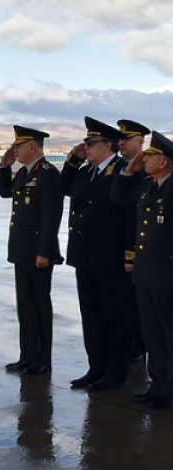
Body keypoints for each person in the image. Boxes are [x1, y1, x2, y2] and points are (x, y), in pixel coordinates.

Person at [62, 116, 131, 391]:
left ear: (109, 145)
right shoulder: (85, 171)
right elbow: (63, 189)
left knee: (114, 315)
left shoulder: (123, 170)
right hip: (85, 255)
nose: (86, 147)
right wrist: (72, 161)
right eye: (86, 143)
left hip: (110, 256)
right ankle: (96, 367)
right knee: (91, 315)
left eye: (91, 143)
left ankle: (115, 372)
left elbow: (128, 215)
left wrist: (129, 254)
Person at [112, 131, 173, 409]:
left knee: (167, 332)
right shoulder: (149, 186)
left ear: (164, 162)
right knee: (152, 334)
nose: (144, 161)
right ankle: (157, 385)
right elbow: (118, 198)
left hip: (166, 274)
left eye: (150, 157)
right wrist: (127, 171)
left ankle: (169, 388)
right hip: (146, 273)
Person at [0, 126, 63, 375]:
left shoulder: (47, 173)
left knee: (39, 306)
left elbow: (50, 216)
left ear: (32, 147)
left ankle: (43, 359)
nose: (15, 150)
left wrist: (44, 251)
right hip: (22, 250)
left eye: (18, 146)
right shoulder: (25, 172)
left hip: (38, 253)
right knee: (25, 305)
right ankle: (27, 356)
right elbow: (5, 192)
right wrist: (3, 167)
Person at [116, 119, 151, 362]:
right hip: (120, 248)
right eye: (120, 140)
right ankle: (131, 346)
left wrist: (132, 253)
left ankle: (139, 348)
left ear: (140, 142)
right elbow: (116, 200)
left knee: (142, 309)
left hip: (143, 252)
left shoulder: (148, 174)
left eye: (126, 140)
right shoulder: (123, 169)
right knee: (125, 304)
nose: (121, 144)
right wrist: (127, 173)